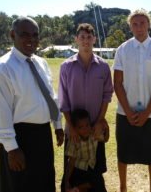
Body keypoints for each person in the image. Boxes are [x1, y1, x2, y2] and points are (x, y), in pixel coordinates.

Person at [0, 16, 64, 192]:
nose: (31, 39)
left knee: (43, 182)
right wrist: (12, 149)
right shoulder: (2, 69)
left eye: (35, 35)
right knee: (18, 185)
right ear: (12, 35)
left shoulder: (41, 63)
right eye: (24, 34)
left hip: (43, 135)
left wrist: (57, 124)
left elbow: (50, 96)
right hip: (20, 137)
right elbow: (1, 112)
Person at [113, 9, 151, 192]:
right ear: (130, 26)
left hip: (150, 114)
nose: (139, 28)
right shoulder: (122, 50)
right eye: (135, 24)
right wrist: (128, 112)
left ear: (149, 24)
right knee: (123, 153)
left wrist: (146, 113)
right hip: (124, 113)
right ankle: (123, 187)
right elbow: (118, 83)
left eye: (142, 23)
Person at [59, 23, 114, 192]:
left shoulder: (103, 66)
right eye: (82, 37)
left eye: (89, 37)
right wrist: (72, 128)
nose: (85, 41)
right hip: (74, 130)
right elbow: (64, 100)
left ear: (94, 40)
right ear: (76, 39)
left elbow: (107, 96)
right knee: (72, 173)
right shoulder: (66, 66)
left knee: (95, 173)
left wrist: (99, 122)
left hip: (95, 128)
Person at [65, 109, 109, 192]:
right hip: (79, 170)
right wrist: (66, 180)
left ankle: (80, 188)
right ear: (75, 129)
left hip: (92, 168)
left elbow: (105, 139)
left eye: (87, 125)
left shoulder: (94, 134)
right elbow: (71, 162)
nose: (85, 129)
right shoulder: (74, 140)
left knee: (98, 180)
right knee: (80, 180)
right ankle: (79, 188)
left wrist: (107, 128)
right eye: (81, 127)